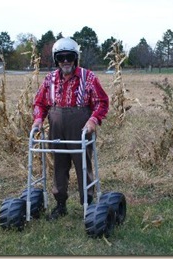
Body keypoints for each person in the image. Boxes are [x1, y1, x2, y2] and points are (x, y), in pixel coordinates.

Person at [32, 37, 109, 221]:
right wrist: (38, 119)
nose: (65, 61)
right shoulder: (49, 79)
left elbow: (102, 102)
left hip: (80, 126)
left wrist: (93, 120)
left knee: (83, 165)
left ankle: (87, 205)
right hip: (57, 127)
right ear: (56, 59)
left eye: (69, 57)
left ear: (76, 58)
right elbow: (39, 102)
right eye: (61, 57)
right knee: (59, 166)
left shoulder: (88, 77)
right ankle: (60, 205)